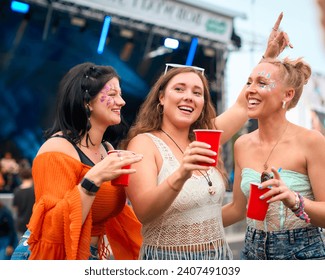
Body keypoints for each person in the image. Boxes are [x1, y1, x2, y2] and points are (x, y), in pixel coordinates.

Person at [119, 13, 291, 260]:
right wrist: (181, 173)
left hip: (219, 257)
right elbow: (143, 212)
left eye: (197, 92)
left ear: (202, 102)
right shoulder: (144, 143)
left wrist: (268, 57)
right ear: (161, 98)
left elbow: (242, 107)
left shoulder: (204, 137)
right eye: (179, 89)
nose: (189, 96)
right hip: (169, 260)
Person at [11, 62, 143, 260]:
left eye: (120, 94)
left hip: (87, 255)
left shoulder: (108, 151)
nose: (122, 102)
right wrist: (92, 180)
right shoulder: (57, 150)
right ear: (86, 102)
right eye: (113, 94)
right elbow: (51, 229)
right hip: (49, 255)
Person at [222, 56, 325, 259]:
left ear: (287, 95)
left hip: (302, 253)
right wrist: (187, 224)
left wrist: (294, 200)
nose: (250, 89)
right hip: (250, 252)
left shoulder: (311, 141)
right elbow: (236, 209)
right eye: (249, 82)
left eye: (262, 82)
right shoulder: (242, 144)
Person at [12, 160, 35, 238]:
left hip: (21, 224)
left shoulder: (17, 191)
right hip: (33, 223)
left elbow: (15, 208)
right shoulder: (35, 190)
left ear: (21, 177)